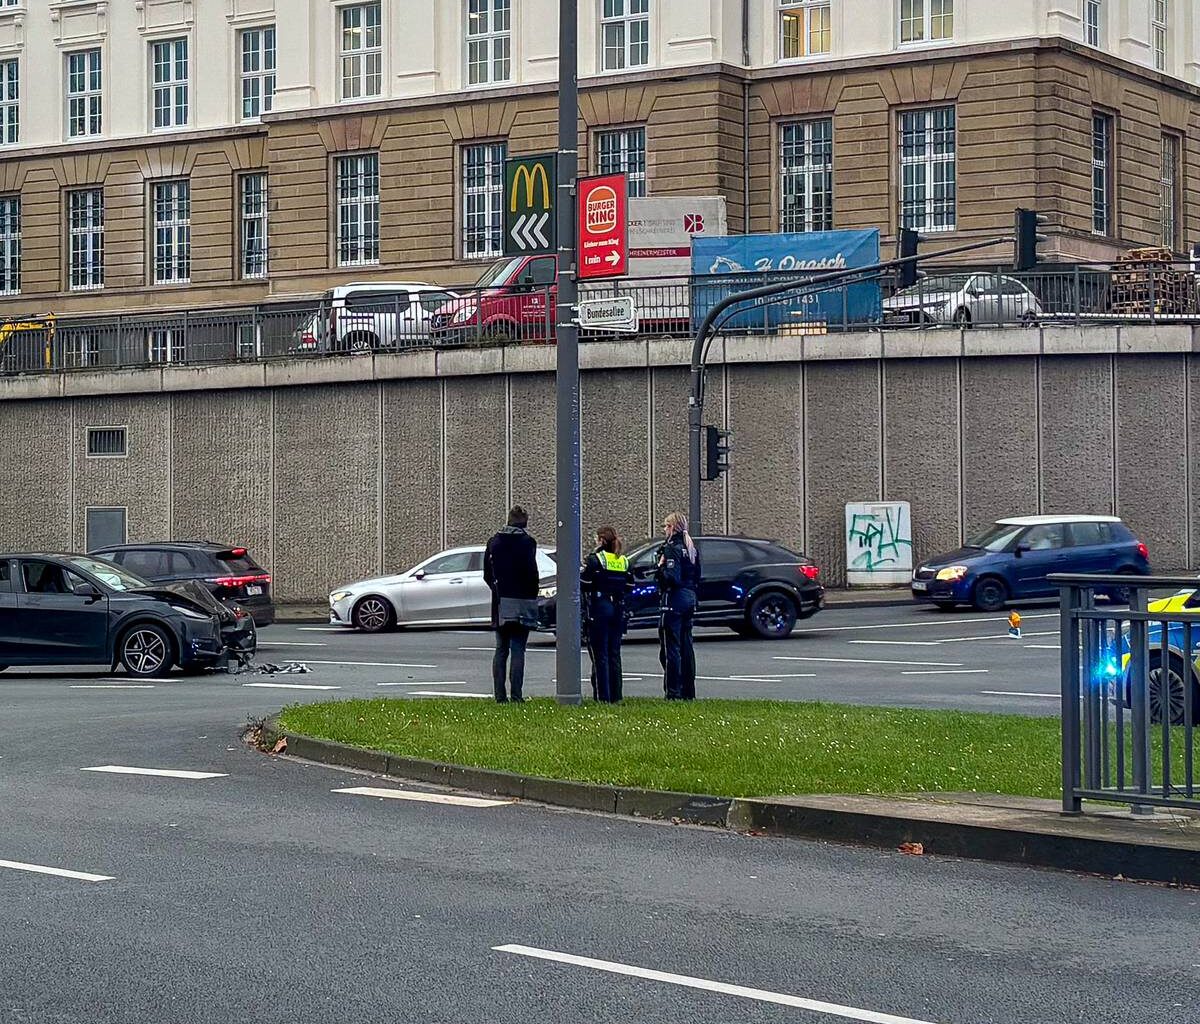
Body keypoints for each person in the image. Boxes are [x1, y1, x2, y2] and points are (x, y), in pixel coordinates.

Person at [483, 506, 540, 703]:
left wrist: (498, 592)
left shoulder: (494, 542)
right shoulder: (528, 542)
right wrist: (532, 595)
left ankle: (500, 696)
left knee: (501, 649)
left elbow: (487, 574)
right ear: (525, 522)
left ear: (508, 520)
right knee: (518, 649)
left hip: (501, 602)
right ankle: (517, 695)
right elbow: (533, 573)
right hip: (522, 600)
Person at [581, 526, 632, 703]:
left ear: (601, 540)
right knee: (614, 653)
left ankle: (603, 696)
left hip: (600, 608)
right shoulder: (623, 560)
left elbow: (584, 582)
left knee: (599, 655)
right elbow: (629, 586)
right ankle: (616, 696)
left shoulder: (596, 560)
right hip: (618, 608)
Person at [657, 511, 701, 700]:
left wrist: (660, 569)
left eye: (666, 526)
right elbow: (697, 575)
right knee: (686, 645)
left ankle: (673, 692)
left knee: (671, 648)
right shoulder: (691, 547)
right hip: (690, 597)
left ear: (673, 527)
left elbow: (671, 577)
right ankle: (688, 691)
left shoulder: (672, 548)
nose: (665, 530)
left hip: (675, 599)